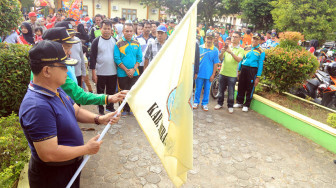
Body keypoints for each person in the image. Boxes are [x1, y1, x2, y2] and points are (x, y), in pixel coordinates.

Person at [19, 40, 122, 188]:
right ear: (47, 71)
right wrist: (86, 149)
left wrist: (100, 119)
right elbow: (49, 153)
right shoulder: (37, 107)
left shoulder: (55, 88)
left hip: (68, 167)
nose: (67, 70)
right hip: (52, 176)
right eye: (63, 66)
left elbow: (76, 111)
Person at [41, 27, 126, 106]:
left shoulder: (49, 66)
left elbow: (75, 108)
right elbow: (79, 95)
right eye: (67, 48)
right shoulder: (53, 70)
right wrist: (108, 98)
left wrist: (97, 118)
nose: (70, 52)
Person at [90, 20, 118, 115]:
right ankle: (101, 109)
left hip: (113, 72)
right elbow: (92, 57)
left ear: (111, 30)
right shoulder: (96, 41)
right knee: (100, 92)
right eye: (104, 28)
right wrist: (93, 73)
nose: (106, 31)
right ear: (100, 29)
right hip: (100, 72)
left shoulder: (115, 41)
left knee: (111, 91)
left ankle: (110, 107)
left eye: (108, 29)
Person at [114, 23, 142, 115]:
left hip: (135, 73)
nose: (129, 33)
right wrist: (126, 70)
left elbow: (139, 58)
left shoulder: (137, 43)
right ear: (123, 32)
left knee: (132, 92)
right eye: (127, 31)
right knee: (123, 91)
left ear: (133, 32)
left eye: (130, 31)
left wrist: (133, 69)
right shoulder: (118, 44)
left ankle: (131, 109)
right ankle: (123, 110)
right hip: (122, 73)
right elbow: (117, 59)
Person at [234, 33, 265, 112]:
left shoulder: (261, 51)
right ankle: (239, 102)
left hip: (253, 70)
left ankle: (246, 104)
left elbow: (261, 64)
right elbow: (242, 59)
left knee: (250, 87)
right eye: (253, 38)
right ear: (251, 39)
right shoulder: (246, 48)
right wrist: (238, 70)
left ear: (259, 41)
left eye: (256, 39)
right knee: (241, 85)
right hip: (244, 68)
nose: (254, 40)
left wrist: (258, 77)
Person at [215, 31, 244, 113]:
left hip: (232, 74)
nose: (233, 38)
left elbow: (238, 59)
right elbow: (220, 58)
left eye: (236, 37)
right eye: (233, 36)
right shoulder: (226, 46)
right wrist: (222, 52)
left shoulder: (241, 49)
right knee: (220, 90)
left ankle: (230, 106)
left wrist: (231, 52)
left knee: (231, 92)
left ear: (239, 39)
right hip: (223, 72)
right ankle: (219, 103)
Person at [193, 32, 220, 111]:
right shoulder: (199, 48)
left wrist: (213, 75)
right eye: (208, 38)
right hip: (199, 73)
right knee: (198, 88)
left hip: (209, 74)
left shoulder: (215, 50)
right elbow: (195, 61)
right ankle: (196, 102)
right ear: (205, 38)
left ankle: (204, 103)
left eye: (211, 38)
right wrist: (195, 72)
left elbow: (216, 63)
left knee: (207, 89)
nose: (209, 40)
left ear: (213, 40)